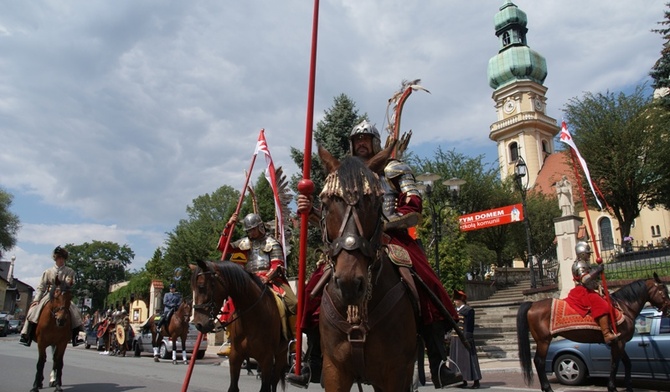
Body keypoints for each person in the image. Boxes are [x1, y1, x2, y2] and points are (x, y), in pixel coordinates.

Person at [296, 120, 462, 388]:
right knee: (313, 285)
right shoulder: (342, 176)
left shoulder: (393, 169)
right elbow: (335, 220)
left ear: (375, 142)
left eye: (366, 138)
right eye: (357, 139)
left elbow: (414, 210)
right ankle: (311, 357)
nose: (361, 143)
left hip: (390, 236)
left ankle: (440, 360)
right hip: (350, 241)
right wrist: (310, 212)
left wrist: (383, 224)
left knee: (425, 280)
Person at [219, 212, 297, 315]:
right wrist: (229, 225)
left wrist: (267, 277)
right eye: (249, 230)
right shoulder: (244, 243)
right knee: (230, 306)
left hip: (271, 280)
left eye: (254, 229)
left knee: (294, 303)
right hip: (250, 279)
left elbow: (277, 265)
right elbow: (223, 247)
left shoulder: (271, 242)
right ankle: (229, 330)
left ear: (260, 226)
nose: (252, 232)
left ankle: (293, 330)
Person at [19, 246, 84, 347]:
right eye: (58, 258)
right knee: (33, 310)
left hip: (63, 294)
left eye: (62, 258)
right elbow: (41, 287)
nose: (60, 260)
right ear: (55, 258)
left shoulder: (69, 271)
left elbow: (70, 282)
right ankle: (26, 334)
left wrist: (66, 282)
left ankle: (77, 336)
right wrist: (36, 299)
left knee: (75, 311)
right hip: (49, 294)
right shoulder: (48, 272)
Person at [565, 241, 620, 344]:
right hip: (582, 291)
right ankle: (606, 334)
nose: (589, 255)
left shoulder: (585, 263)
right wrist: (597, 271)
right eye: (588, 253)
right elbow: (585, 279)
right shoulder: (579, 264)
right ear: (582, 253)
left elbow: (591, 281)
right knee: (602, 306)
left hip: (589, 289)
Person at [449, 290, 481, 389]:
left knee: (470, 359)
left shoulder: (469, 310)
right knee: (457, 359)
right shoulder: (455, 310)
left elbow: (470, 326)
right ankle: (462, 379)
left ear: (461, 300)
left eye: (456, 299)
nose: (455, 301)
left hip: (464, 337)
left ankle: (476, 381)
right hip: (455, 338)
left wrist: (468, 337)